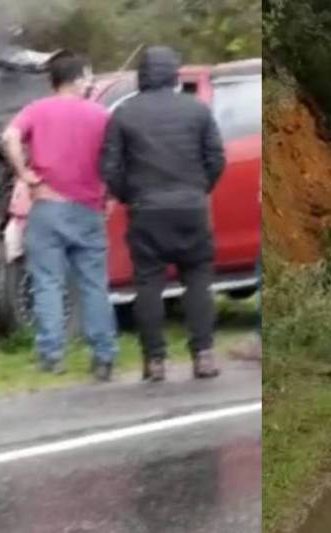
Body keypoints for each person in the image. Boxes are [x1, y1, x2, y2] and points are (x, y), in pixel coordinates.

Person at [100, 46, 225, 382]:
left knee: (148, 283)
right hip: (192, 208)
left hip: (146, 210)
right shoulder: (196, 110)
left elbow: (110, 169)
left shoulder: (124, 114)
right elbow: (216, 159)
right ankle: (204, 355)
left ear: (142, 75)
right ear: (173, 74)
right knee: (198, 278)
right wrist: (199, 190)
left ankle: (155, 361)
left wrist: (130, 196)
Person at [2, 54, 118, 381]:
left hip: (47, 207)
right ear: (78, 78)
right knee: (94, 284)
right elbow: (114, 157)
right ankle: (103, 357)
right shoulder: (101, 115)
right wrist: (109, 195)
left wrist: (26, 175)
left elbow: (9, 137)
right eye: (89, 76)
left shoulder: (37, 109)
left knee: (48, 283)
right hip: (88, 209)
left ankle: (52, 355)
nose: (91, 83)